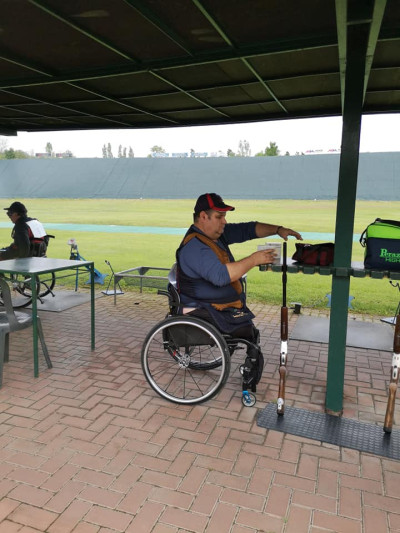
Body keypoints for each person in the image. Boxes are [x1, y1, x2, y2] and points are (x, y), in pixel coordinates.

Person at [175, 193, 302, 393]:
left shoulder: (214, 235)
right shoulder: (195, 247)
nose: (224, 222)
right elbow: (220, 276)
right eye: (219, 217)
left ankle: (251, 367)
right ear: (203, 217)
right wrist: (254, 259)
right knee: (249, 334)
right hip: (202, 309)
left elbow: (248, 229)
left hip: (217, 306)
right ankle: (249, 375)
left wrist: (277, 230)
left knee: (250, 333)